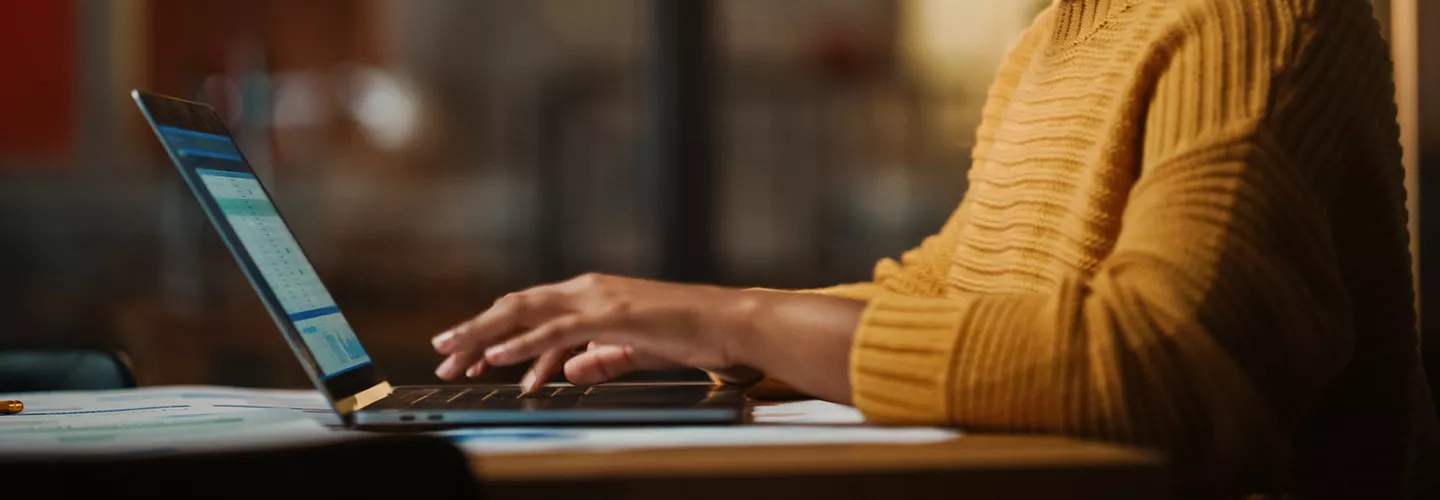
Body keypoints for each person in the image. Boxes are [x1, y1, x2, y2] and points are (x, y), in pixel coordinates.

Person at [432, 0, 1438, 496]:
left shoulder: (1253, 16)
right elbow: (949, 288)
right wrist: (708, 329)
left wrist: (735, 319)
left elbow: (1166, 361)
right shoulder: (1059, 34)